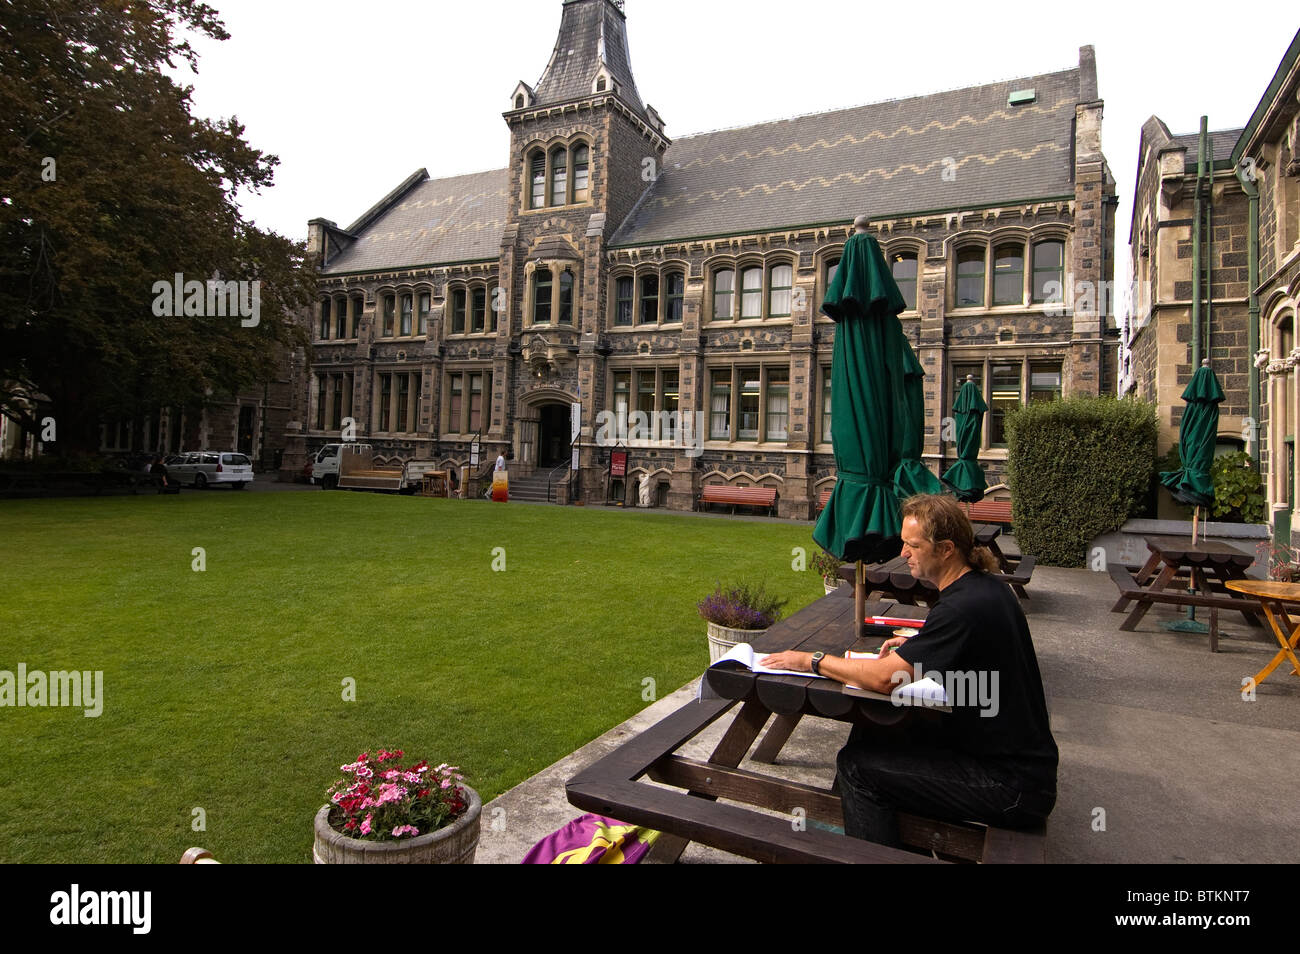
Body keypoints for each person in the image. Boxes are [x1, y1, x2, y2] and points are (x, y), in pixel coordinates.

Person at [761, 493, 1057, 848]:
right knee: (873, 732)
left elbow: (885, 679)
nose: (903, 554)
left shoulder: (961, 607)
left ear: (946, 549)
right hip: (1017, 764)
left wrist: (810, 660)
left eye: (913, 545)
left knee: (857, 768)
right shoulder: (985, 588)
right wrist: (920, 644)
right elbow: (966, 650)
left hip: (1010, 785)